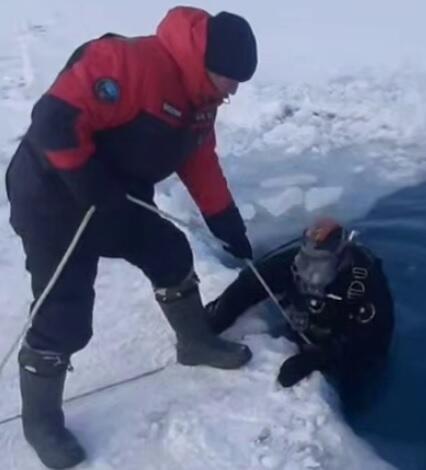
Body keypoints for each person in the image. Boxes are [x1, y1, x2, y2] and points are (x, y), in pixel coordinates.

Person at [5, 7, 257, 469]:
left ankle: (195, 343)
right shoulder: (128, 63)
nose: (234, 90)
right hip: (51, 196)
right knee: (64, 313)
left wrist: (227, 224)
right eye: (231, 79)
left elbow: (200, 162)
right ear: (206, 62)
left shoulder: (201, 102)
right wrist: (87, 182)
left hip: (115, 198)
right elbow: (53, 121)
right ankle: (40, 422)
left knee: (169, 251)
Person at [206, 218, 395, 395]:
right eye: (305, 257)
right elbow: (251, 283)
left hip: (346, 345)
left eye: (319, 262)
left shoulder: (365, 283)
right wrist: (220, 315)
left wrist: (320, 356)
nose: (307, 269)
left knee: (357, 383)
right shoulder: (293, 264)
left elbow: (376, 339)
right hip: (304, 329)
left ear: (341, 259)